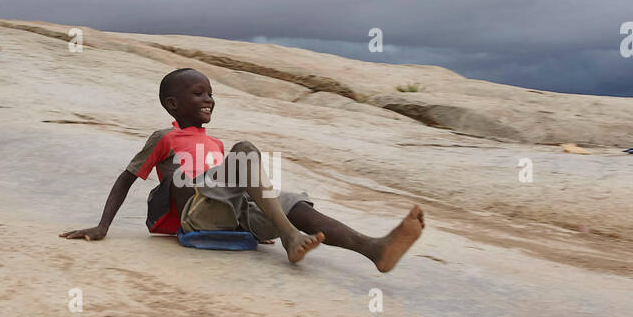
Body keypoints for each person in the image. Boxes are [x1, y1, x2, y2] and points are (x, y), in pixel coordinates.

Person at [60, 68, 425, 270]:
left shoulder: (216, 144)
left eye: (210, 94)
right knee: (246, 151)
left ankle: (373, 249)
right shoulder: (164, 137)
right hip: (193, 211)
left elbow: (239, 186)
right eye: (199, 94)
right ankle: (288, 237)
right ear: (173, 104)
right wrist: (103, 225)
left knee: (289, 200)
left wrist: (262, 215)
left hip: (230, 214)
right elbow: (127, 178)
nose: (209, 100)